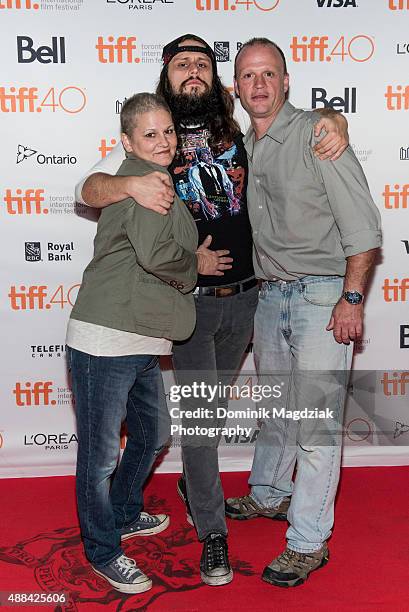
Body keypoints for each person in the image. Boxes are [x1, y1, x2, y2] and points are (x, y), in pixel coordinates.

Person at [74, 34, 349, 586]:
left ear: (217, 78)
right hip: (188, 305)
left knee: (214, 414)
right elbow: (87, 187)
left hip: (251, 298)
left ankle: (201, 486)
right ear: (166, 78)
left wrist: (329, 117)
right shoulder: (151, 140)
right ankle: (212, 532)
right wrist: (127, 182)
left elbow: (286, 116)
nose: (194, 71)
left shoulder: (241, 132)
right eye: (182, 64)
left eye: (203, 62)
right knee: (200, 426)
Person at [227, 38, 381, 587]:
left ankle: (308, 541)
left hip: (322, 297)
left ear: (287, 81)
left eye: (269, 74)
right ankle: (268, 493)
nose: (259, 85)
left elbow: (364, 227)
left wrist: (352, 298)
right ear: (237, 88)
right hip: (270, 295)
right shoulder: (245, 144)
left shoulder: (319, 133)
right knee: (278, 408)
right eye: (248, 76)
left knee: (315, 427)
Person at [67, 92, 230, 595]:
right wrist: (195, 265)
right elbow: (157, 254)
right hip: (104, 340)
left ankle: (122, 513)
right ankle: (103, 550)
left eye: (168, 132)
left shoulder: (154, 179)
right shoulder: (140, 180)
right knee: (98, 459)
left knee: (154, 434)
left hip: (139, 338)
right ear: (127, 141)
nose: (163, 142)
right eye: (150, 134)